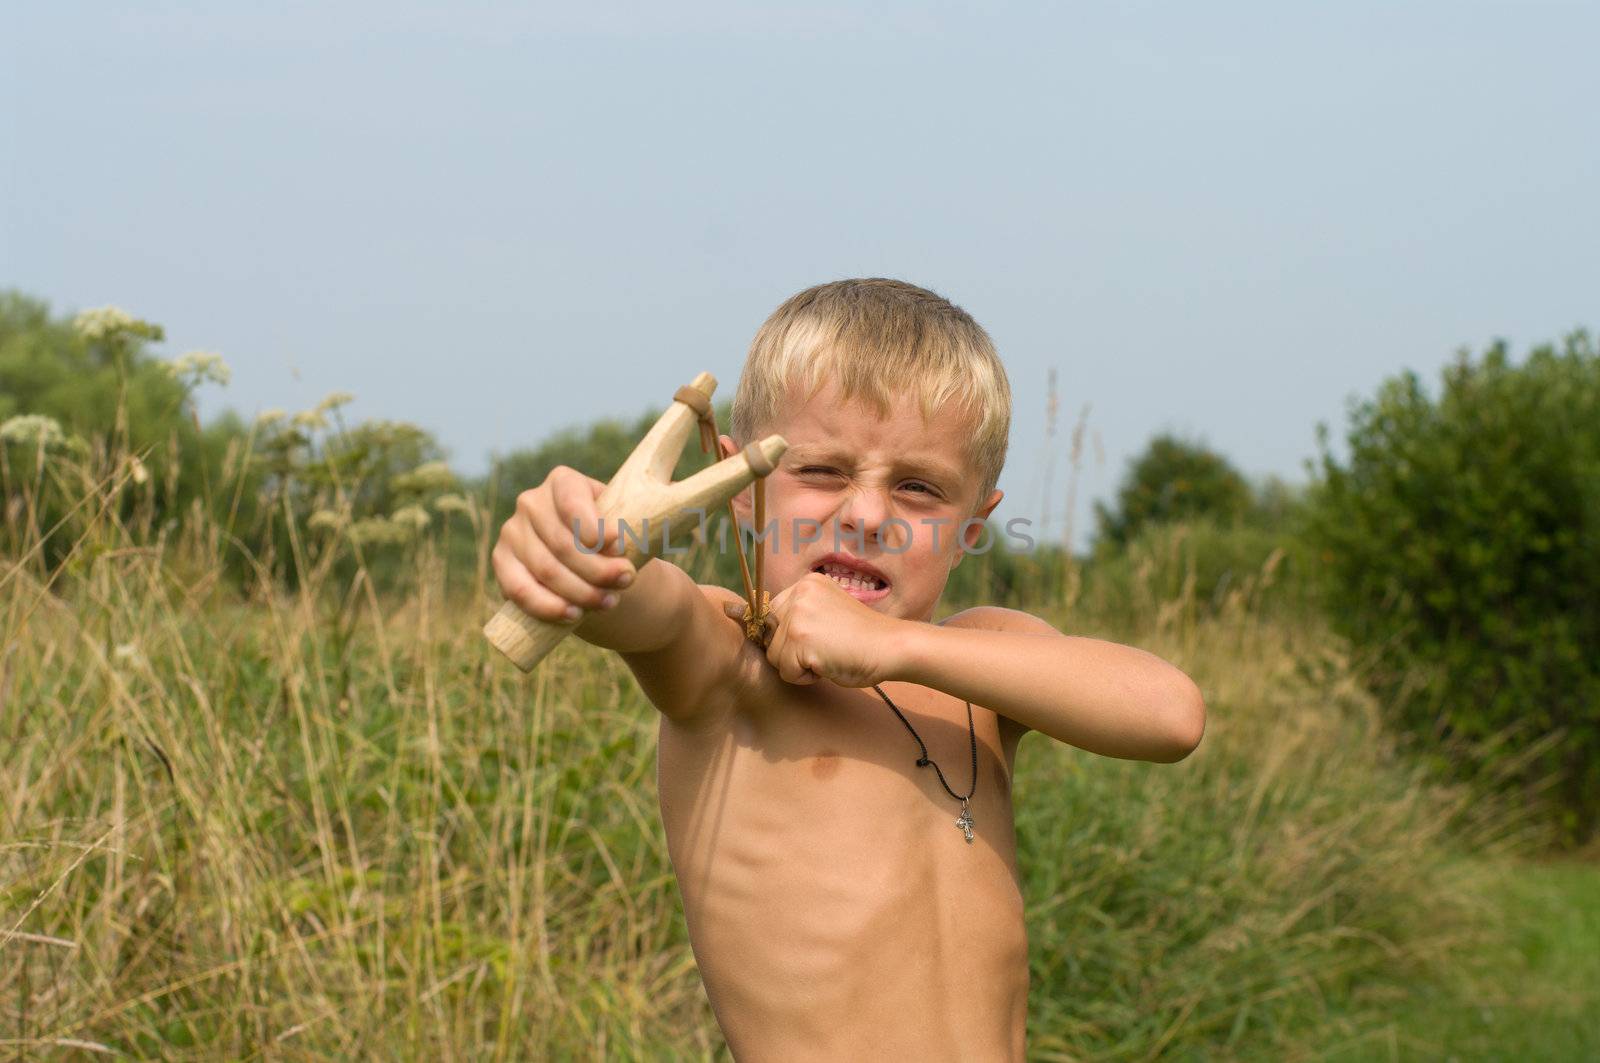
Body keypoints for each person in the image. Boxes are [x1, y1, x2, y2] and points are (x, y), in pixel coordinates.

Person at [492, 278, 1206, 1060]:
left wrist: (898, 648)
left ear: (974, 526)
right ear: (738, 486)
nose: (867, 515)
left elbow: (1170, 714)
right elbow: (641, 605)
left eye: (919, 488)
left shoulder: (982, 656)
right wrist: (584, 551)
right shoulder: (731, 664)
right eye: (822, 470)